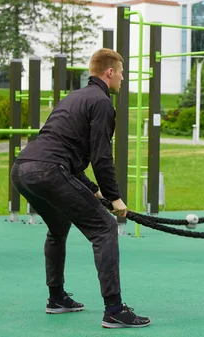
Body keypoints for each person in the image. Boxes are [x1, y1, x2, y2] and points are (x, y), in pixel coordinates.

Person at [10, 48, 150, 329]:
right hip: (49, 171)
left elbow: (67, 155)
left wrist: (95, 192)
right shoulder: (101, 102)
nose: (123, 78)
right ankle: (114, 310)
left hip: (23, 169)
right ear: (109, 72)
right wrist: (115, 198)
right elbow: (100, 156)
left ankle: (57, 298)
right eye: (121, 73)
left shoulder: (73, 97)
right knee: (105, 228)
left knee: (59, 226)